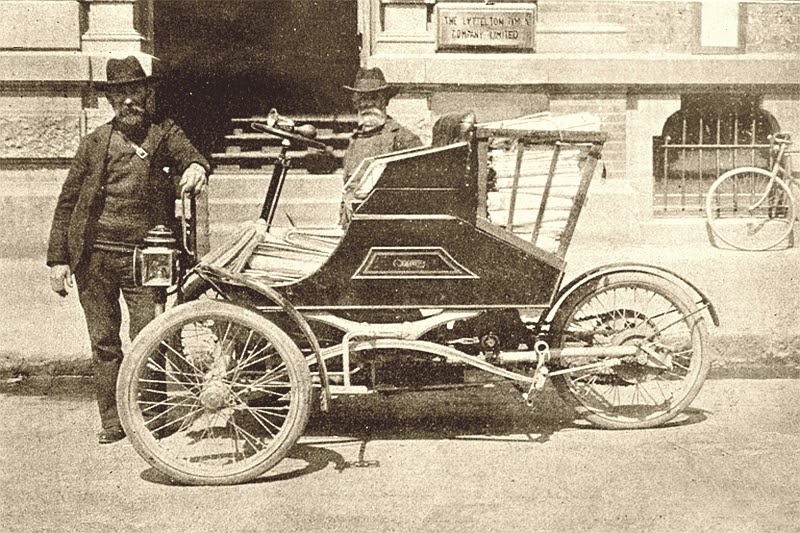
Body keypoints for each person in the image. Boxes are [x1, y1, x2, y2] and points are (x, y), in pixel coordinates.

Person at [46, 56, 209, 444]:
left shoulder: (162, 132)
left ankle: (152, 417)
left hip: (145, 258)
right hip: (94, 258)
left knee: (149, 335)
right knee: (103, 340)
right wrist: (58, 259)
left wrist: (196, 167)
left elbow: (191, 155)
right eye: (120, 94)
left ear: (146, 93)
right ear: (110, 100)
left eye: (134, 92)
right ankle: (114, 421)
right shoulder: (94, 143)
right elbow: (68, 202)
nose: (128, 101)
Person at [338, 67, 423, 226]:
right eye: (362, 98)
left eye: (374, 97)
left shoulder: (404, 139)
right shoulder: (356, 139)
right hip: (353, 223)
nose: (368, 103)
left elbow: (415, 191)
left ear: (385, 101)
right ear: (356, 103)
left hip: (384, 224)